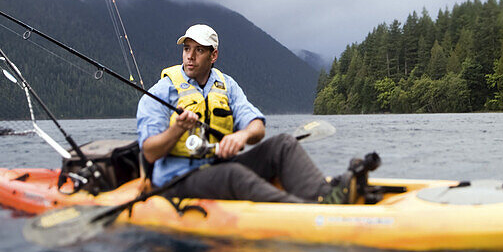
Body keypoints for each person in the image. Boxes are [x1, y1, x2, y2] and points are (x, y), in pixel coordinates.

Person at [136, 23, 357, 204]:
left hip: (219, 168)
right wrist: (177, 130)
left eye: (199, 50)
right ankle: (306, 211)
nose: (190, 56)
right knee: (233, 174)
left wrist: (241, 136)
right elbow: (150, 153)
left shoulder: (227, 86)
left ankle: (324, 196)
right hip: (177, 179)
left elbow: (257, 127)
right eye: (186, 49)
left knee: (283, 144)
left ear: (213, 56)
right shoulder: (161, 91)